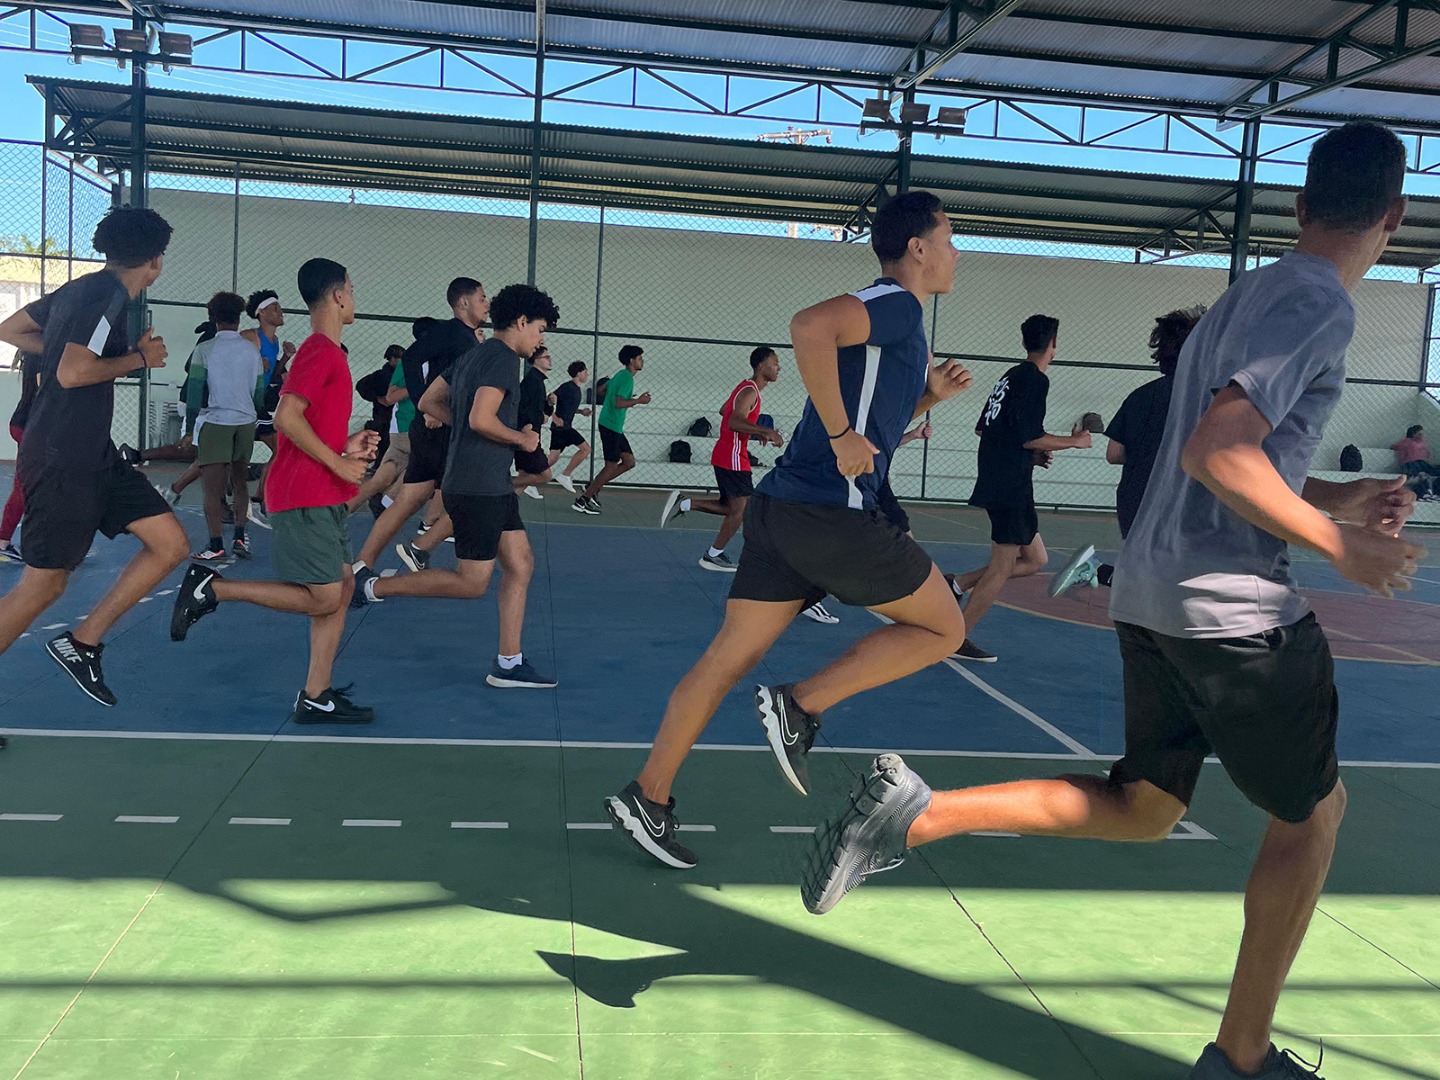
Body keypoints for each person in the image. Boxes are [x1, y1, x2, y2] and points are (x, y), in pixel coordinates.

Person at [802, 123, 1426, 1080]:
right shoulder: (1317, 304)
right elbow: (1217, 453)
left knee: (1144, 806)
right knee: (1312, 815)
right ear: (1395, 215)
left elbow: (1231, 458)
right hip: (1234, 610)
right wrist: (1343, 545)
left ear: (1299, 206)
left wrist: (1338, 498)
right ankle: (1242, 1058)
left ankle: (918, 815)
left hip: (1150, 590)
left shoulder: (1244, 297)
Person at [604, 190, 972, 869]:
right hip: (831, 515)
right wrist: (840, 433)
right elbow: (808, 326)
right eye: (950, 239)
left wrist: (928, 397)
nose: (957, 252)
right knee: (945, 628)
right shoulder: (895, 303)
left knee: (725, 660)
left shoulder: (897, 324)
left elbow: (874, 421)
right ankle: (801, 705)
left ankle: (647, 795)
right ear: (918, 248)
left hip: (783, 512)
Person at [170, 258, 380, 722]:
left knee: (343, 586)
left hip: (322, 492)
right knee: (325, 596)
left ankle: (316, 695)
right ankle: (214, 588)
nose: (353, 297)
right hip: (306, 493)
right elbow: (286, 417)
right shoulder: (320, 350)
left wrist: (345, 446)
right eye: (351, 289)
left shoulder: (326, 352)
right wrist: (340, 464)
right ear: (338, 295)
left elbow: (304, 425)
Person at [0, 205, 188, 705]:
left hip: (92, 454)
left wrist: (74, 347)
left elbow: (11, 330)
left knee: (170, 544)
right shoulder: (107, 296)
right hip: (62, 458)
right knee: (42, 587)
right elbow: (72, 373)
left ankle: (82, 643)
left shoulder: (79, 289)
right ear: (155, 260)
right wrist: (138, 358)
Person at [351, 284, 559, 690]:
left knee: (521, 564)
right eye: (539, 329)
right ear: (521, 322)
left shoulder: (474, 355)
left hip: (487, 480)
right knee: (471, 582)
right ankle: (371, 586)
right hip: (479, 483)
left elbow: (429, 401)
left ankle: (509, 662)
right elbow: (482, 419)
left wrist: (468, 425)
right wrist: (520, 438)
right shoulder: (501, 359)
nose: (540, 339)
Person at [944, 315, 1092, 662]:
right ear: (1053, 343)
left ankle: (957, 583)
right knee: (1002, 566)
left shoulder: (1010, 376)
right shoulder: (1035, 381)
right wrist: (1074, 441)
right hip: (1008, 485)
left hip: (1006, 478)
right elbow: (1029, 436)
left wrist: (1031, 457)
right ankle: (955, 638)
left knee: (1036, 560)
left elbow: (986, 429)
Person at [1050, 306, 1207, 595]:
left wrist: (1146, 454)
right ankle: (1097, 569)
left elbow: (1114, 454)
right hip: (1181, 506)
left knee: (1155, 581)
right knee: (1173, 584)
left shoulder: (1140, 396)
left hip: (1134, 502)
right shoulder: (1208, 399)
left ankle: (1097, 569)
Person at [351, 278, 487, 577]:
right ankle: (418, 550)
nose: (486, 304)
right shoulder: (450, 332)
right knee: (470, 494)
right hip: (436, 429)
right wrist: (425, 403)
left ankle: (367, 562)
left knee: (413, 497)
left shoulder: (468, 338)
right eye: (482, 298)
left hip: (447, 429)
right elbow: (412, 358)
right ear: (463, 303)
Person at [658, 346, 784, 570]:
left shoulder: (745, 387)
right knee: (740, 510)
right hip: (733, 456)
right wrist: (765, 431)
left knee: (732, 507)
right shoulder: (750, 391)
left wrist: (754, 431)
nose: (778, 367)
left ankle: (685, 503)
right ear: (760, 366)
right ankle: (712, 555)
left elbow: (724, 409)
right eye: (774, 363)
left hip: (728, 453)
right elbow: (733, 421)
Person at [800, 420, 934, 626]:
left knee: (897, 542)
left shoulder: (880, 418)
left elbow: (880, 444)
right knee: (898, 544)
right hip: (860, 484)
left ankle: (911, 601)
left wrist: (912, 435)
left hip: (872, 483)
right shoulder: (854, 415)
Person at [185, 291, 266, 562]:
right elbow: (259, 392)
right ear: (239, 317)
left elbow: (194, 392)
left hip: (217, 421)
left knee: (213, 489)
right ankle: (240, 537)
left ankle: (216, 544)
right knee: (241, 482)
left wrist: (189, 428)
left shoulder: (205, 349)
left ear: (213, 317)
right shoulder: (251, 350)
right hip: (245, 421)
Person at [240, 289, 296, 529]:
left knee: (280, 448)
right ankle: (254, 500)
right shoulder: (250, 337)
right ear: (261, 312)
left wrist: (285, 358)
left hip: (258, 404)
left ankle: (256, 499)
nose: (280, 311)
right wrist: (253, 363)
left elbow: (270, 375)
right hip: (243, 403)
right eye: (274, 308)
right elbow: (231, 363)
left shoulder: (273, 343)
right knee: (278, 448)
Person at [573, 344, 649, 515]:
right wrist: (639, 401)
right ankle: (583, 500)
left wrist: (617, 394)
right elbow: (618, 403)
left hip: (613, 424)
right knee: (611, 464)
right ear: (631, 361)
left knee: (629, 462)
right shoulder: (627, 378)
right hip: (611, 425)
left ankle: (594, 486)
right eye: (639, 358)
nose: (642, 361)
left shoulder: (620, 375)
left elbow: (601, 390)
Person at [347, 343, 410, 516]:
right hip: (384, 422)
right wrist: (379, 398)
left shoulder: (399, 373)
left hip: (391, 422)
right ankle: (380, 497)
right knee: (384, 460)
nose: (400, 361)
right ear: (391, 359)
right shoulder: (383, 375)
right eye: (397, 358)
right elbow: (362, 386)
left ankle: (378, 496)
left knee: (388, 463)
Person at [0, 349, 41, 563]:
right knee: (25, 488)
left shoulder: (35, 351)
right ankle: (4, 542)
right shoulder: (42, 352)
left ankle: (4, 541)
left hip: (25, 425)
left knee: (26, 486)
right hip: (31, 428)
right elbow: (45, 390)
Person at [515, 344, 556, 500]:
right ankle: (504, 484)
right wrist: (541, 417)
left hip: (530, 434)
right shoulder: (532, 382)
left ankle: (506, 506)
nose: (550, 360)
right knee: (545, 475)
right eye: (546, 357)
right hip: (527, 435)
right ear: (536, 360)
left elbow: (541, 410)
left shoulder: (537, 381)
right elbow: (525, 410)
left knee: (525, 476)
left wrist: (549, 404)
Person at [548, 359, 592, 492]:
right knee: (586, 449)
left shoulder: (576, 389)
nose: (587, 374)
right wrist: (555, 417)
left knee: (553, 458)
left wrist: (581, 411)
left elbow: (567, 407)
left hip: (561, 428)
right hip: (563, 428)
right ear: (579, 373)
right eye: (585, 372)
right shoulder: (567, 387)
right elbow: (549, 399)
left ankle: (529, 479)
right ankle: (565, 475)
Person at [1392, 424, 1438, 498]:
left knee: (1432, 471)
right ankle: (1422, 488)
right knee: (1421, 474)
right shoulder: (1407, 441)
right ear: (1413, 434)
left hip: (1422, 462)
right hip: (1411, 463)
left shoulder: (1422, 442)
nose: (1421, 435)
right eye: (1419, 433)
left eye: (1422, 434)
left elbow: (1427, 453)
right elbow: (1397, 446)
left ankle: (1429, 488)